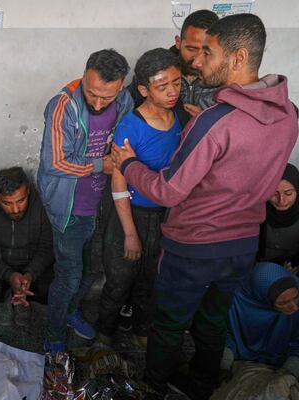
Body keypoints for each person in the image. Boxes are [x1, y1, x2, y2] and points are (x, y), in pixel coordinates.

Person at [112, 13, 299, 399]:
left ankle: (155, 388)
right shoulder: (288, 114)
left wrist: (127, 164)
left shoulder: (216, 122)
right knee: (213, 323)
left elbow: (167, 192)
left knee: (168, 324)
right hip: (243, 245)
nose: (197, 62)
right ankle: (200, 386)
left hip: (194, 247)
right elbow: (248, 166)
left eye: (208, 53)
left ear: (238, 56)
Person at [37, 49, 134, 352]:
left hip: (104, 205)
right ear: (85, 75)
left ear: (120, 86)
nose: (97, 103)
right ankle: (52, 335)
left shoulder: (125, 102)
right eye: (92, 94)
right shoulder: (62, 106)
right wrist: (100, 165)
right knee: (69, 277)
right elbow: (54, 162)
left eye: (107, 97)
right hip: (70, 209)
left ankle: (68, 313)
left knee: (92, 271)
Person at [96, 48, 182, 349]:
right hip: (129, 214)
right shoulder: (130, 127)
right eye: (163, 86)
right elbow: (118, 186)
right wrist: (130, 234)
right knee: (119, 281)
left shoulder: (178, 117)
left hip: (163, 215)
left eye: (177, 83)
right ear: (144, 89)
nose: (172, 92)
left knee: (150, 279)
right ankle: (103, 334)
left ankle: (141, 330)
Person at [0, 167, 54, 327]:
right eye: (7, 203)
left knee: (54, 290)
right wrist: (9, 275)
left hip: (32, 263)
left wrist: (30, 275)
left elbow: (47, 247)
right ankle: (9, 295)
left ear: (27, 191)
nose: (15, 210)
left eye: (20, 200)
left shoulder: (44, 205)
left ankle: (20, 294)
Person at [213, 262, 299, 399]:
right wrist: (224, 367)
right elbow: (224, 335)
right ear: (262, 297)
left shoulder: (295, 291)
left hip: (287, 362)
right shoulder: (236, 302)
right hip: (243, 362)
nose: (294, 307)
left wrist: (289, 372)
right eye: (283, 303)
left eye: (296, 298)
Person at [128, 9, 219, 121]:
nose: (197, 61)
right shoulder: (154, 69)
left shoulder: (223, 77)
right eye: (191, 49)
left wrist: (207, 120)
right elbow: (126, 108)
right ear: (178, 42)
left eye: (206, 52)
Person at [259, 164, 299, 266]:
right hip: (258, 267)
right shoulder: (256, 212)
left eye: (288, 193)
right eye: (274, 194)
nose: (281, 201)